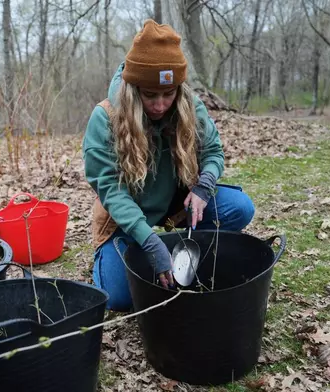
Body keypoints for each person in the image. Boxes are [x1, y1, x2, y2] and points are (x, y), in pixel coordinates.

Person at [82, 19, 255, 312]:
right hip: (125, 218)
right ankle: (124, 252)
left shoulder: (188, 105)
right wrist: (148, 241)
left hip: (176, 208)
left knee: (240, 208)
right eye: (150, 95)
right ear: (134, 88)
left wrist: (203, 186)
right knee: (121, 297)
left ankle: (182, 246)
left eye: (169, 93)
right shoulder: (106, 118)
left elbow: (213, 151)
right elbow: (110, 190)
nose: (161, 105)